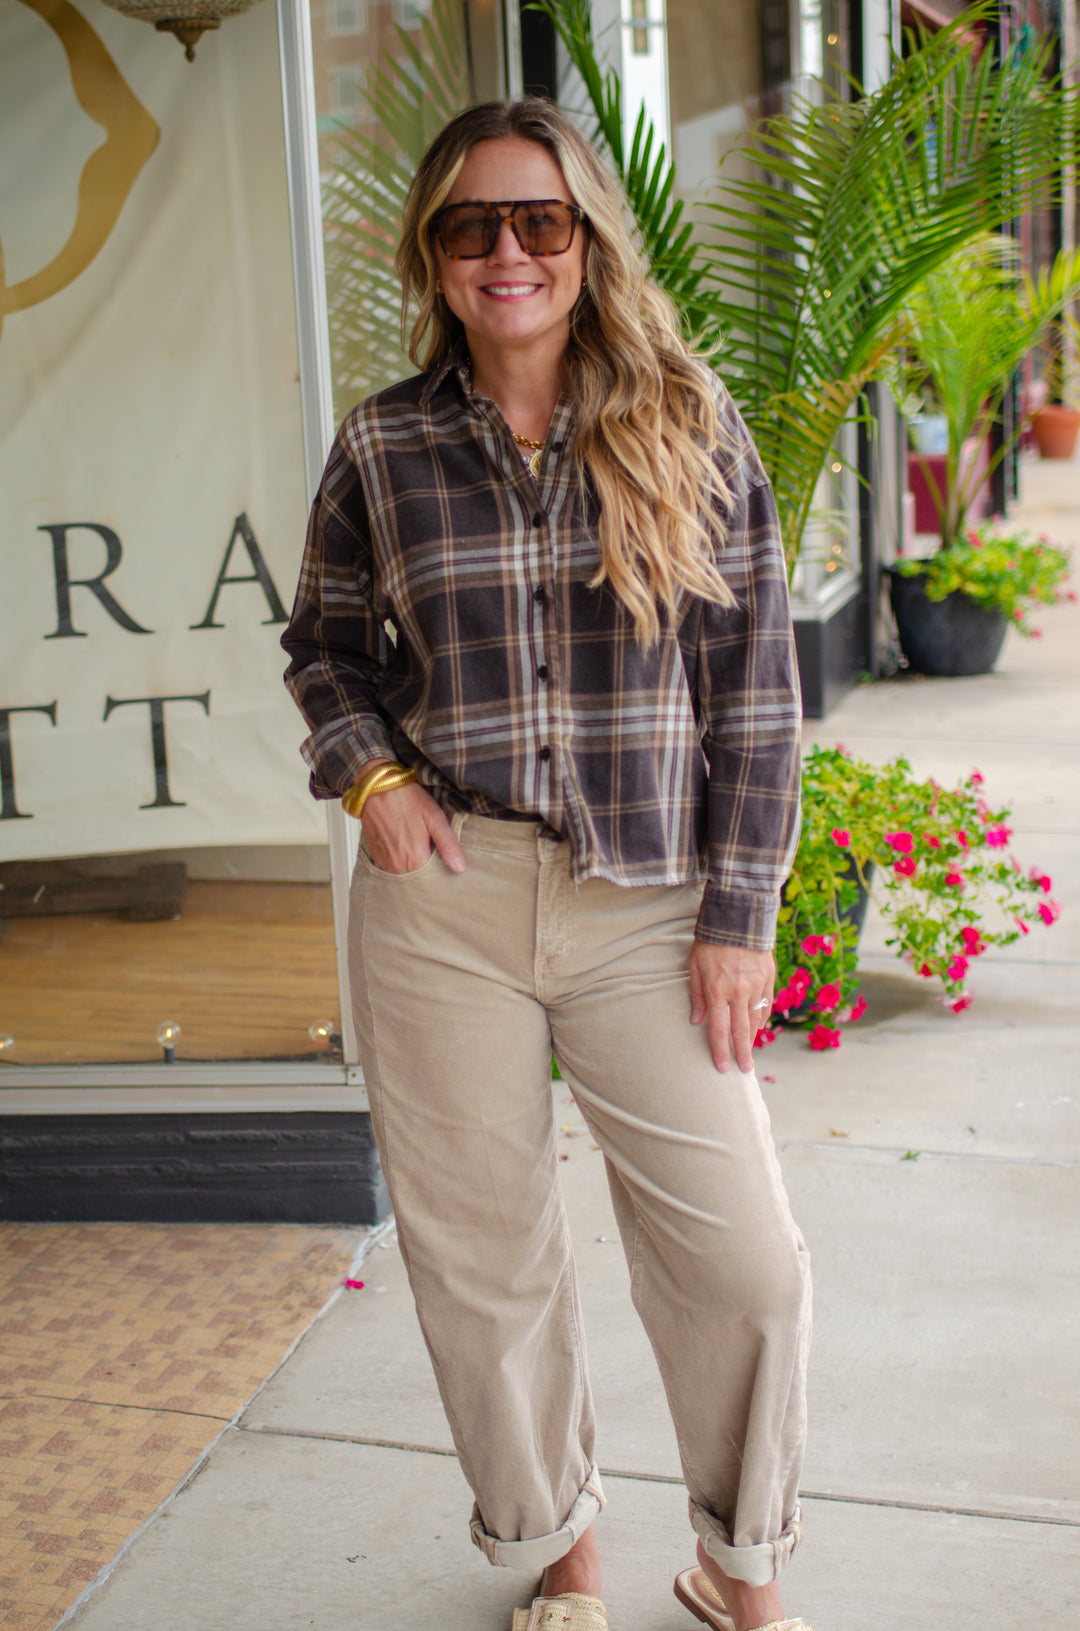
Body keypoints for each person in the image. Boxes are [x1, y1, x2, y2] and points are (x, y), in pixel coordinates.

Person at [282, 98, 812, 1631]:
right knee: (484, 1259)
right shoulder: (382, 444)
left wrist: (739, 917)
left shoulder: (688, 421)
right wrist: (372, 777)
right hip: (446, 903)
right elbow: (322, 648)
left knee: (746, 1261)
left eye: (540, 223)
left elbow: (757, 698)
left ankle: (739, 1564)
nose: (506, 252)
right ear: (434, 257)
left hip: (649, 906)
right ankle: (558, 1558)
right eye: (471, 227)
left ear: (587, 241)